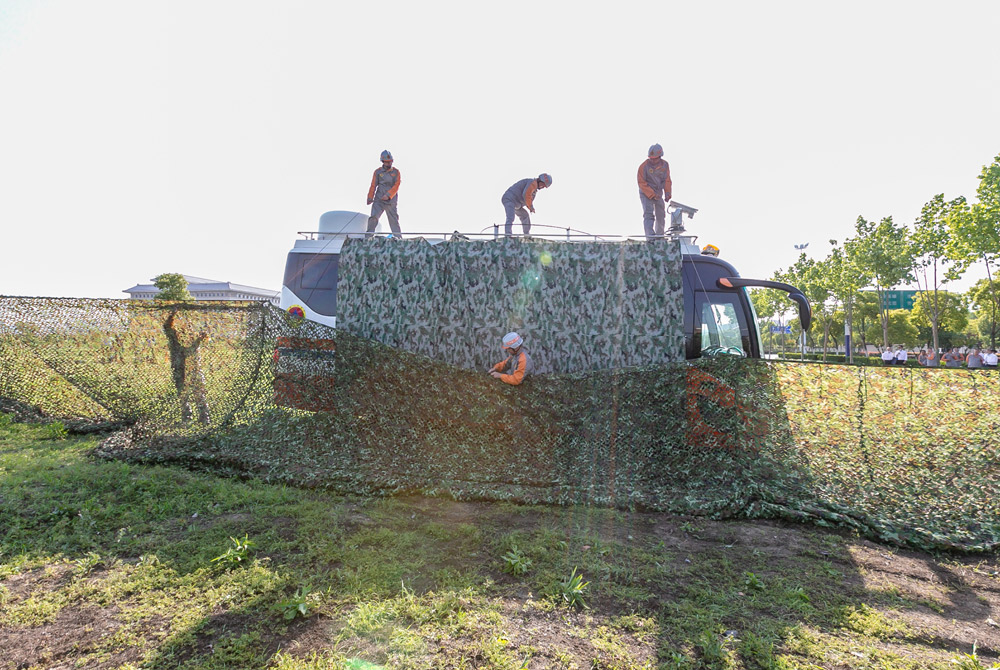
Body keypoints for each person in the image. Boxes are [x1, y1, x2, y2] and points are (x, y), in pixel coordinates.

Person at [163, 310, 210, 424]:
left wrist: (199, 339)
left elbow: (190, 350)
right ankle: (187, 417)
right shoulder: (173, 337)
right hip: (179, 368)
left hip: (193, 369)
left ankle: (204, 417)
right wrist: (173, 313)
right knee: (183, 394)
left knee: (198, 393)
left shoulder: (191, 337)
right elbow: (167, 327)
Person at [637, 143, 672, 240]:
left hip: (658, 193)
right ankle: (650, 238)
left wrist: (668, 193)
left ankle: (659, 236)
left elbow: (667, 180)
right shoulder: (643, 166)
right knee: (648, 214)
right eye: (651, 158)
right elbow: (641, 182)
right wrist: (652, 194)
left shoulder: (665, 165)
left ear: (660, 157)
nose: (652, 160)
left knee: (661, 215)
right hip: (646, 193)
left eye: (655, 158)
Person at [366, 150, 402, 238]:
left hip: (391, 201)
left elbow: (396, 185)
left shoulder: (396, 172)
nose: (388, 164)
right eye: (386, 162)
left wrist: (388, 195)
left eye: (389, 162)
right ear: (382, 162)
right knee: (373, 217)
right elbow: (373, 185)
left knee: (393, 220)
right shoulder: (378, 172)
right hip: (379, 199)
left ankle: (398, 238)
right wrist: (370, 197)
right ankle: (368, 237)